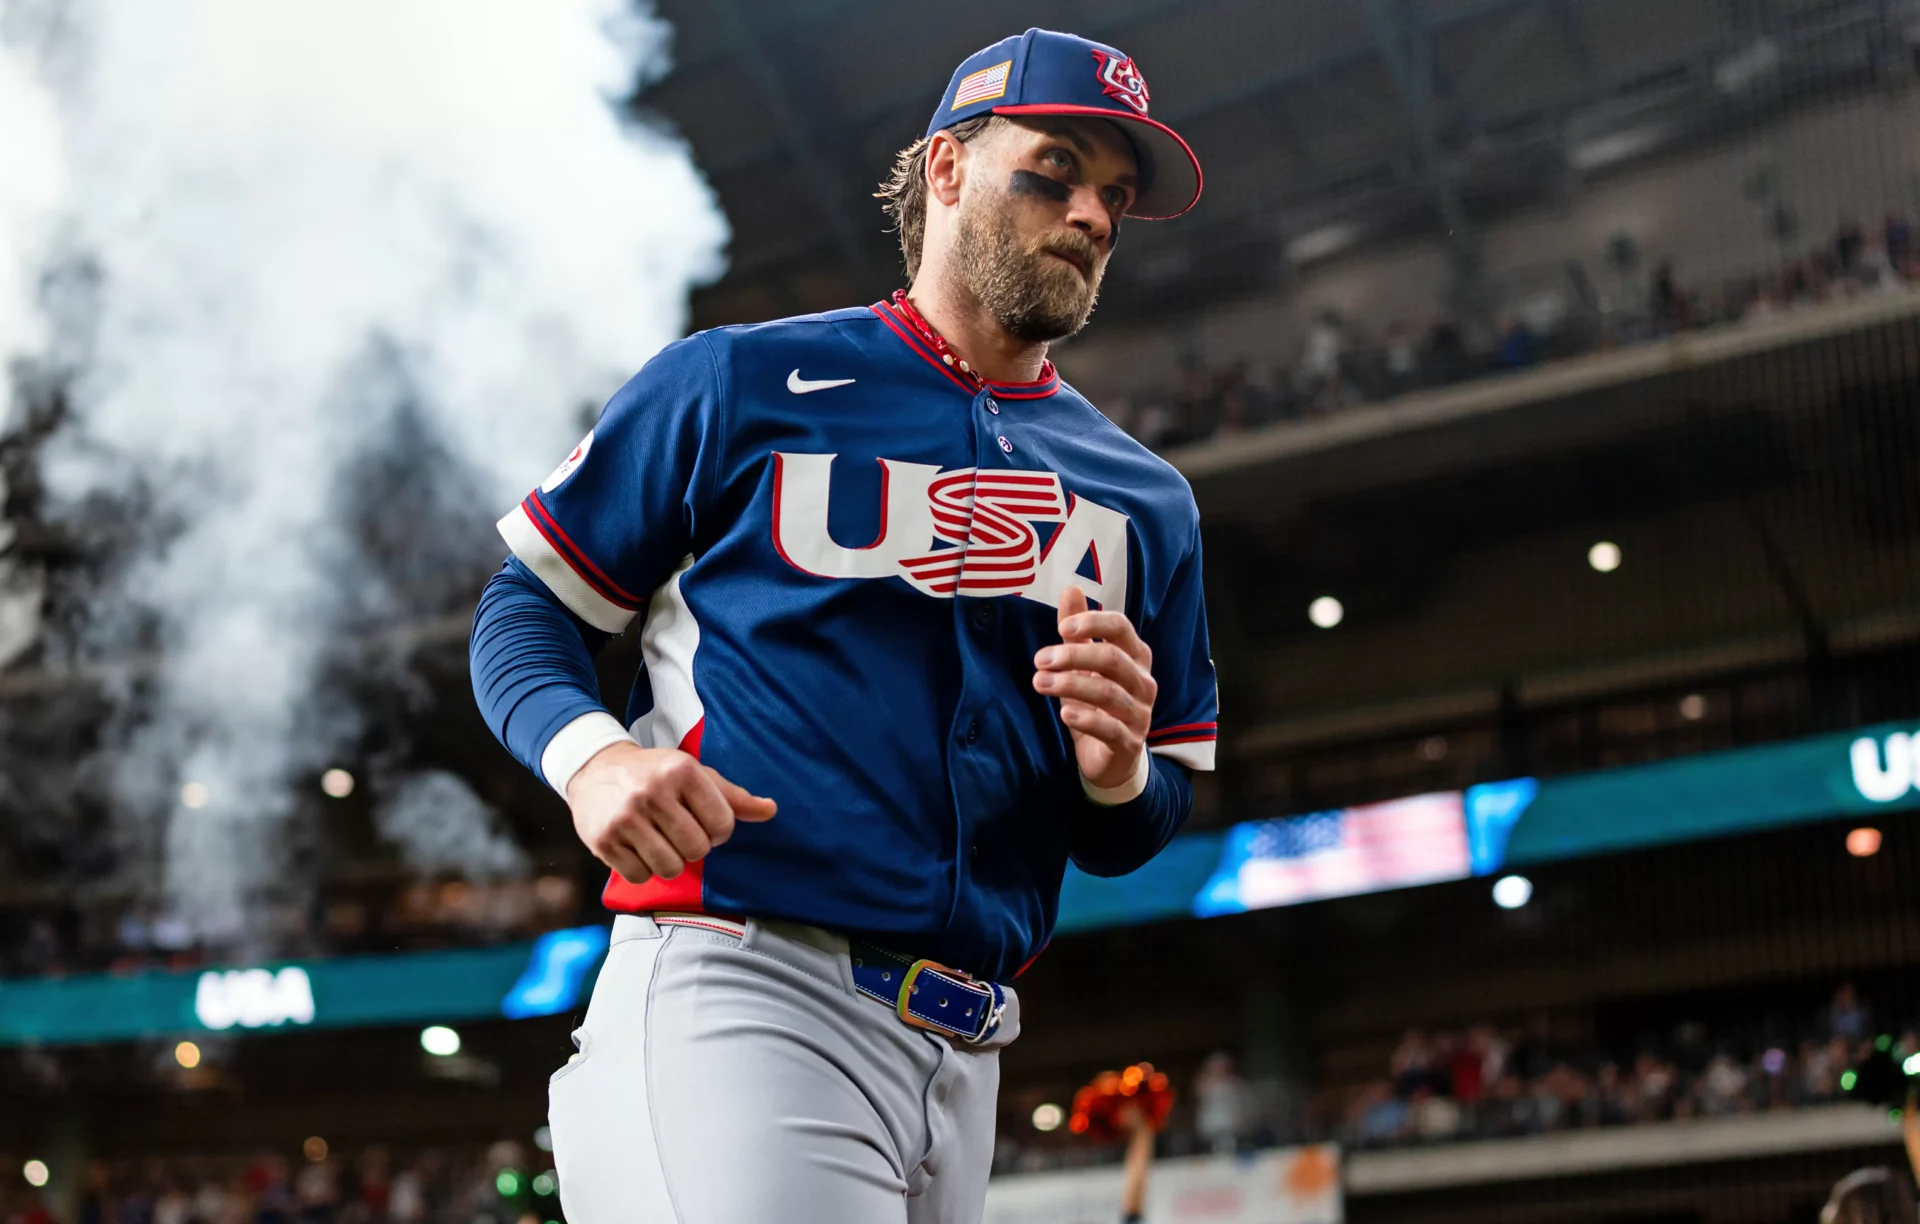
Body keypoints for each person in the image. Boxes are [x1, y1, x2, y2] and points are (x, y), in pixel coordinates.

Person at [468, 27, 1216, 1224]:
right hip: (747, 991)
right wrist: (592, 756)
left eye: (1116, 197)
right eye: (1055, 171)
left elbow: (1141, 822)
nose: (1091, 214)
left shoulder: (1144, 499)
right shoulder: (737, 382)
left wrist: (1119, 769)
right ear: (947, 168)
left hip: (970, 1054)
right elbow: (527, 607)